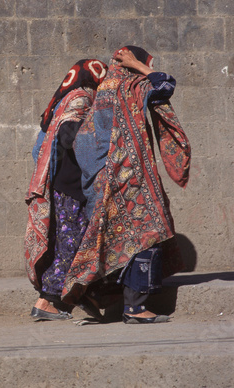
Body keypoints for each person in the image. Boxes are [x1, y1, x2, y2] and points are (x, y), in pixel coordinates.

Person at [62, 46, 191, 324]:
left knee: (112, 240)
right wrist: (140, 67)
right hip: (127, 179)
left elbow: (82, 142)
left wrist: (98, 177)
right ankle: (135, 308)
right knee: (149, 232)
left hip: (99, 182)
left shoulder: (103, 93)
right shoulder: (132, 85)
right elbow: (166, 84)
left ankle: (97, 294)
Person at [25, 59, 108, 320]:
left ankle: (82, 294)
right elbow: (68, 135)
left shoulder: (63, 99)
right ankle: (47, 302)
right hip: (71, 185)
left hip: (61, 182)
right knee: (70, 243)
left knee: (71, 240)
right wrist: (97, 152)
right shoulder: (82, 98)